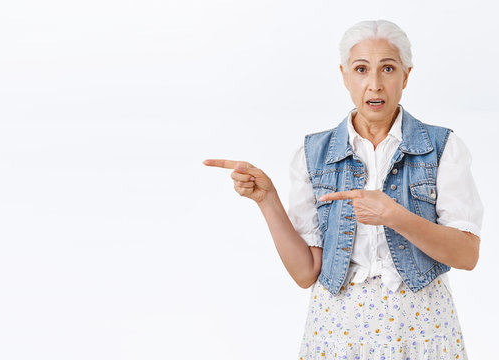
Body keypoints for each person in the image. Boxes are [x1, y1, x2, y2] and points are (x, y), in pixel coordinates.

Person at [203, 19, 483, 360]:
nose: (375, 84)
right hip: (337, 331)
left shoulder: (442, 148)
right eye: (361, 69)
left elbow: (467, 255)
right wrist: (267, 200)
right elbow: (306, 273)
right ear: (344, 76)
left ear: (406, 76)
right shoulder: (313, 154)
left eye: (388, 68)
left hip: (422, 327)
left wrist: (394, 216)